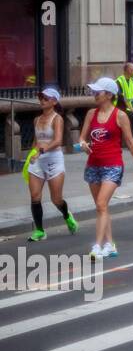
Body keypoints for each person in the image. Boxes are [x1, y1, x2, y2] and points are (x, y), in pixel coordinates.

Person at [80, 77, 133, 259]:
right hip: (93, 165)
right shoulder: (90, 114)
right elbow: (81, 138)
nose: (94, 94)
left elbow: (129, 140)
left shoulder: (120, 115)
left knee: (101, 204)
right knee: (101, 207)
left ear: (109, 95)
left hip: (113, 165)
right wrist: (83, 144)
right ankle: (110, 245)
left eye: (98, 91)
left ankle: (97, 246)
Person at [25, 88, 77, 242]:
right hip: (38, 161)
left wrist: (41, 150)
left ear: (54, 101)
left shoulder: (57, 119)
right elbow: (36, 141)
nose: (42, 101)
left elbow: (58, 141)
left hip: (54, 160)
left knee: (56, 199)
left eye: (46, 98)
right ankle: (40, 231)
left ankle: (67, 216)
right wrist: (32, 155)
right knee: (35, 196)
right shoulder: (36, 119)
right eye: (41, 98)